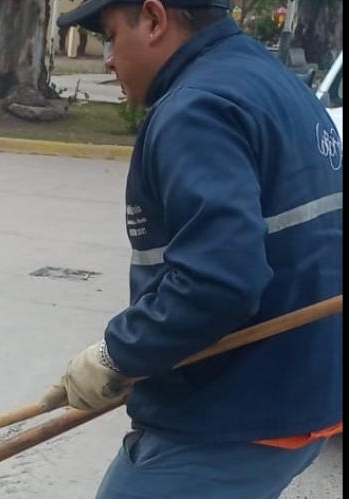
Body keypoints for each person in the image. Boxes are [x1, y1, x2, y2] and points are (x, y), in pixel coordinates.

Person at [44, 0, 343, 497]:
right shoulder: (273, 81)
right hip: (305, 400)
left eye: (113, 36)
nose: (108, 61)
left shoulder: (195, 108)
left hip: (230, 415)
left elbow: (219, 280)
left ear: (156, 19)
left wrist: (118, 354)